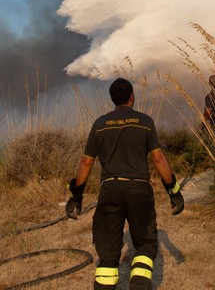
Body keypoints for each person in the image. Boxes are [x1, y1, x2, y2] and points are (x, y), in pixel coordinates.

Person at [66, 78, 184, 290]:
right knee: (146, 246)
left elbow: (86, 162)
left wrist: (76, 197)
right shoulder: (145, 121)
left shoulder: (100, 124)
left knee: (108, 257)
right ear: (132, 97)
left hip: (110, 189)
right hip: (139, 190)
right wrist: (173, 191)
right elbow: (158, 159)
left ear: (112, 99)